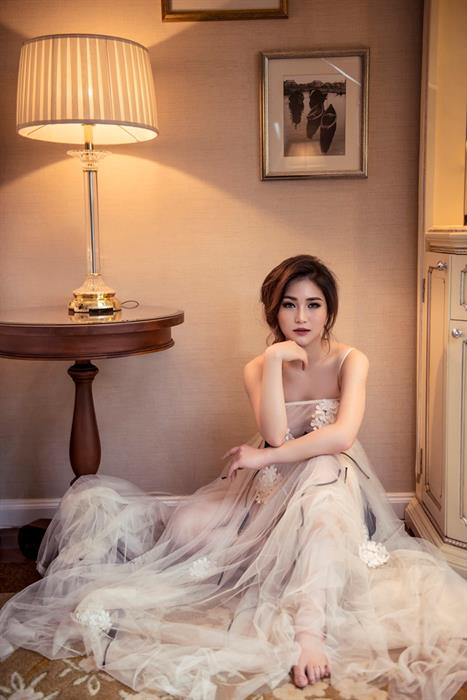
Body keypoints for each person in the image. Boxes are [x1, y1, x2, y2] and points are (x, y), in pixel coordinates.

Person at [1, 254, 466, 700]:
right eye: (289, 305)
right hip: (272, 481)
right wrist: (275, 362)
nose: (301, 317)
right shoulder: (257, 367)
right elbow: (275, 434)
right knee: (187, 532)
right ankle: (268, 562)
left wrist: (261, 458)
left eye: (313, 304)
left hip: (330, 479)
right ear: (273, 311)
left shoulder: (351, 360)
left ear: (329, 311)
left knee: (322, 478)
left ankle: (309, 632)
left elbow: (341, 436)